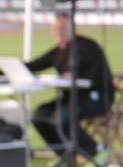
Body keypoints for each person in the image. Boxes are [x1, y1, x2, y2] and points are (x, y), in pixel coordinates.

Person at [24, 9, 113, 159]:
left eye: (63, 28)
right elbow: (36, 64)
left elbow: (98, 75)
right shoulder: (59, 51)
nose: (59, 32)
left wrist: (76, 76)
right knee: (39, 115)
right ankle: (64, 156)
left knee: (63, 119)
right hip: (70, 98)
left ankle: (96, 152)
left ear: (73, 28)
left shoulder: (89, 47)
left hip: (94, 98)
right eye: (56, 28)